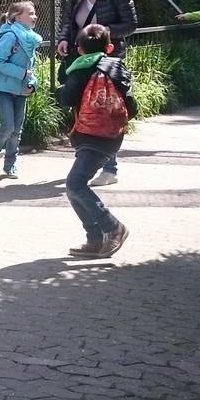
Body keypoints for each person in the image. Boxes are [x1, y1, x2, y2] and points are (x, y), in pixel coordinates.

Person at [53, 23, 138, 258]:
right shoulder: (117, 66)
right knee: (74, 187)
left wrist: (59, 90)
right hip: (112, 135)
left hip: (91, 135)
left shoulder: (80, 69)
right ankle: (94, 239)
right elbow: (132, 105)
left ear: (79, 49)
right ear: (109, 47)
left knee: (75, 185)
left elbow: (67, 98)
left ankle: (113, 228)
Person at [56, 0, 137, 187]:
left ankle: (109, 168)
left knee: (104, 109)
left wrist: (102, 33)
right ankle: (88, 156)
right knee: (80, 105)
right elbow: (69, 20)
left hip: (107, 58)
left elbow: (131, 24)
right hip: (79, 55)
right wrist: (63, 38)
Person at [0, 1, 43, 180]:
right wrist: (23, 74)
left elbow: (31, 67)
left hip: (22, 89)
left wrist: (33, 83)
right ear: (17, 16)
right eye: (30, 13)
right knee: (8, 127)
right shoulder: (10, 36)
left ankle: (10, 165)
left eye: (34, 12)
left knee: (17, 129)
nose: (34, 16)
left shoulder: (29, 37)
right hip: (5, 88)